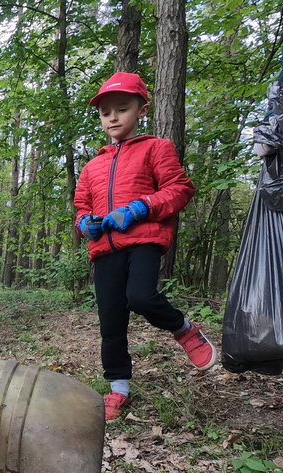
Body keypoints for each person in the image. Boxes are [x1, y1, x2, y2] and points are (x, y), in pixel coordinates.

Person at [74, 71, 217, 421]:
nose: (112, 117)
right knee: (111, 319)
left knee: (140, 297)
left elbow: (179, 188)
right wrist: (84, 223)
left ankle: (184, 329)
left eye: (122, 108)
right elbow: (81, 205)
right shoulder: (93, 165)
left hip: (143, 240)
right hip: (105, 249)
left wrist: (142, 207)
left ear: (141, 110)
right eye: (105, 111)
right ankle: (118, 388)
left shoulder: (157, 148)